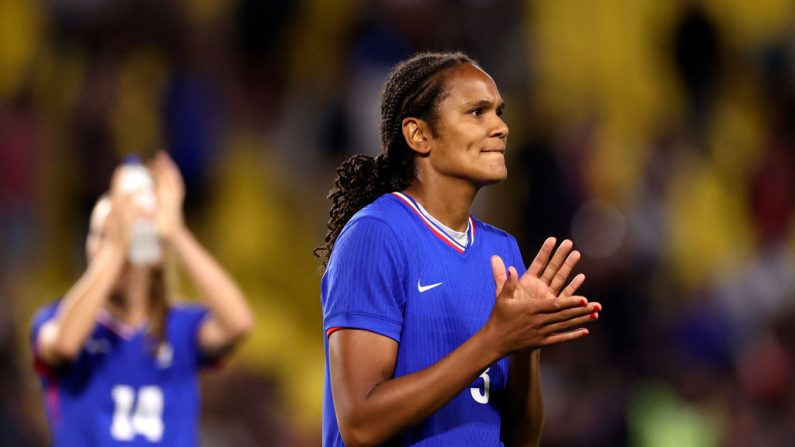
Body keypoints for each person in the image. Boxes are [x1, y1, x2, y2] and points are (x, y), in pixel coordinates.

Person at [316, 51, 602, 447]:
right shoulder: (376, 234)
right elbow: (361, 425)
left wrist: (524, 347)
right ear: (419, 135)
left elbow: (522, 438)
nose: (500, 127)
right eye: (477, 112)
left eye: (499, 112)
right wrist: (494, 341)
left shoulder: (502, 251)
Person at [30, 151, 254, 446]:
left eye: (124, 234)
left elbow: (238, 324)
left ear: (153, 250)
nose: (110, 244)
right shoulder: (57, 317)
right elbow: (63, 345)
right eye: (101, 235)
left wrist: (176, 233)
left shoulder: (179, 328)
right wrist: (117, 247)